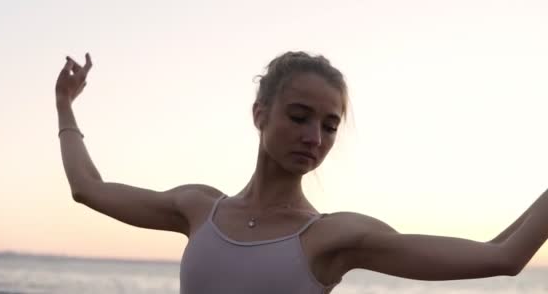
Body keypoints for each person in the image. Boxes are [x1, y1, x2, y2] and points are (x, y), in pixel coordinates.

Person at [55, 51, 548, 294]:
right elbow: (88, 189)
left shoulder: (333, 237)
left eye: (330, 125)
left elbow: (501, 256)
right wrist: (65, 107)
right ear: (260, 115)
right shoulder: (197, 208)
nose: (315, 137)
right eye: (298, 117)